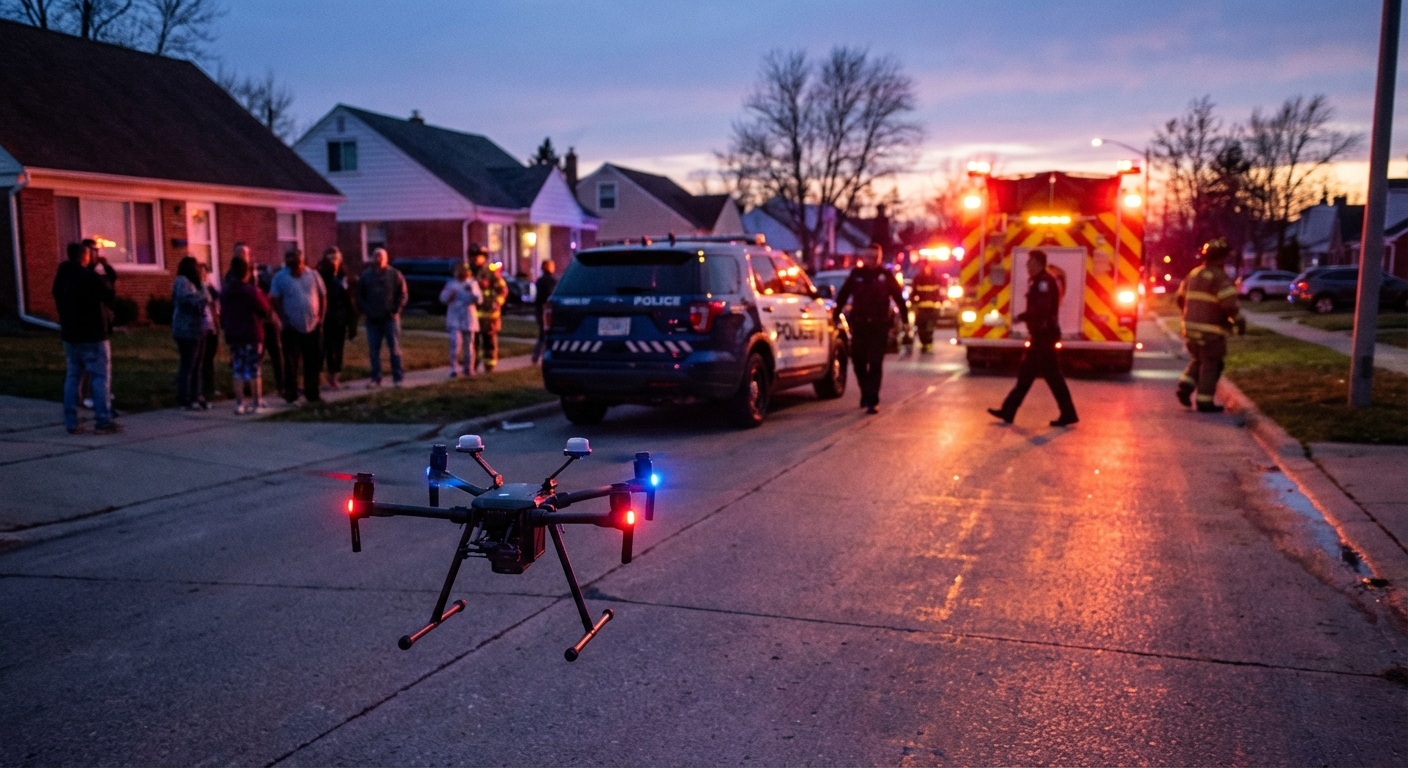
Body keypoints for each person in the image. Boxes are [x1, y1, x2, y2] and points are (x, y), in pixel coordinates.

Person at [987, 249, 1079, 427]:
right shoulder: (1040, 281)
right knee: (1030, 375)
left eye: (1030, 263)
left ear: (1038, 263)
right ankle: (1009, 410)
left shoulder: (1043, 283)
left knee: (1046, 376)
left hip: (1044, 337)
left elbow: (1041, 310)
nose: (1027, 266)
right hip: (1041, 336)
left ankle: (1067, 413)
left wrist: (1022, 317)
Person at [52, 241, 119, 434]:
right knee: (99, 378)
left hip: (71, 335)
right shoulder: (89, 277)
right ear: (86, 256)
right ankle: (103, 421)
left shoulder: (61, 278)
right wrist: (101, 267)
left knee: (73, 377)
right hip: (93, 335)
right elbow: (109, 291)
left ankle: (71, 422)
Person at [834, 245, 907, 414]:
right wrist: (836, 314)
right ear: (864, 257)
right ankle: (865, 392)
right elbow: (843, 295)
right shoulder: (856, 275)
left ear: (879, 258)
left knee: (875, 363)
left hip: (879, 325)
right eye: (869, 256)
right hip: (860, 325)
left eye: (875, 257)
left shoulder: (886, 276)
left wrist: (905, 318)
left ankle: (872, 400)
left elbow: (898, 297)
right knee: (858, 362)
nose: (871, 260)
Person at [1176, 239, 1246, 413]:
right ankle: (1204, 402)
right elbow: (1229, 305)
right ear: (1221, 258)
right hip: (1211, 332)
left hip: (1189, 329)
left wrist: (1191, 315)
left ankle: (1184, 387)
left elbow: (1180, 299)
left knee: (1198, 359)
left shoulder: (1193, 274)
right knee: (1211, 364)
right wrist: (1239, 322)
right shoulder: (1220, 278)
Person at [268, 248, 327, 403]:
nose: (295, 268)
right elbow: (274, 298)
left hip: (313, 325)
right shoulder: (280, 277)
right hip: (291, 327)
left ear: (302, 262)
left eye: (297, 264)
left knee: (312, 362)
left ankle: (312, 394)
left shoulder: (313, 275)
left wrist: (321, 317)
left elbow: (322, 295)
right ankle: (292, 395)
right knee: (291, 363)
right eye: (291, 265)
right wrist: (283, 318)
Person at [220, 256, 271, 414]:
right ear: (247, 273)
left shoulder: (226, 291)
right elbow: (265, 309)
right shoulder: (252, 291)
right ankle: (257, 403)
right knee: (254, 369)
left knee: (238, 370)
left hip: (235, 335)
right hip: (252, 334)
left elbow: (223, 311)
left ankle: (240, 404)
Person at [356, 247, 408, 387]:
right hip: (373, 319)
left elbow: (402, 294)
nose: (378, 259)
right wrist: (366, 309)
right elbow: (360, 295)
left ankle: (397, 378)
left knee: (394, 349)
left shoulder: (394, 274)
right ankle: (375, 378)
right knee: (374, 350)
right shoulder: (366, 276)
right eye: (376, 256)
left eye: (381, 256)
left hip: (390, 319)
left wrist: (396, 310)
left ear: (386, 258)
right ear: (372, 258)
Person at [171, 256, 209, 410]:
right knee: (188, 364)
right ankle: (184, 397)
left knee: (197, 364)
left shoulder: (192, 283)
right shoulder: (183, 282)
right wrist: (203, 294)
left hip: (195, 329)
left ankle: (196, 395)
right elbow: (191, 302)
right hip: (186, 330)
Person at [317, 247, 357, 390]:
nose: (334, 262)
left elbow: (349, 301)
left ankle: (334, 378)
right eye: (331, 259)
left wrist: (352, 323)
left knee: (337, 349)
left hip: (339, 319)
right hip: (323, 319)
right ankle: (319, 378)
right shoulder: (320, 277)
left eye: (336, 259)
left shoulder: (343, 278)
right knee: (321, 349)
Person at [440, 261, 483, 377]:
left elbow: (479, 299)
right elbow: (442, 298)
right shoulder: (451, 284)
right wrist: (450, 296)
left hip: (468, 317)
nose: (460, 273)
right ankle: (454, 368)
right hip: (454, 317)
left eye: (463, 271)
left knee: (469, 345)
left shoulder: (472, 284)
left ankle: (468, 368)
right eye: (458, 271)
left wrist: (472, 293)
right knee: (455, 344)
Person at [472, 250, 508, 372]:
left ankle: (490, 364)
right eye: (474, 256)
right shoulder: (469, 272)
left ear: (484, 258)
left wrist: (497, 302)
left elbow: (503, 290)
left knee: (489, 341)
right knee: (473, 342)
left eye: (479, 256)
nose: (476, 259)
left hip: (490, 314)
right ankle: (473, 364)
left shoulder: (491, 272)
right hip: (473, 314)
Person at [253, 256, 283, 394]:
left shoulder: (266, 283)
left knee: (275, 355)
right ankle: (254, 387)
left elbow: (271, 300)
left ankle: (281, 385)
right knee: (261, 356)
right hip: (261, 323)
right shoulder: (253, 287)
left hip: (268, 322)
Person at [198, 262, 221, 407]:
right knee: (202, 358)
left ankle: (210, 386)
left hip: (212, 326)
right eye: (200, 271)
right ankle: (202, 387)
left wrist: (217, 326)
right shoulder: (196, 288)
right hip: (202, 328)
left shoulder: (210, 288)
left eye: (204, 271)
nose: (202, 274)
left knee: (209, 358)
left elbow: (215, 306)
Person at [911, 258, 944, 353]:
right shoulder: (917, 278)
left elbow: (939, 292)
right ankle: (924, 344)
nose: (923, 267)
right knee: (921, 328)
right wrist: (913, 304)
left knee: (929, 328)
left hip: (932, 308)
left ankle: (928, 345)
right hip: (921, 309)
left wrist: (940, 304)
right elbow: (913, 293)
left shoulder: (935, 278)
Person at [532, 259, 558, 363]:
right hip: (546, 311)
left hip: (540, 310)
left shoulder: (540, 280)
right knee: (545, 335)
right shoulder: (551, 281)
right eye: (552, 265)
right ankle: (539, 356)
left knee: (543, 335)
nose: (554, 267)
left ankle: (538, 355)